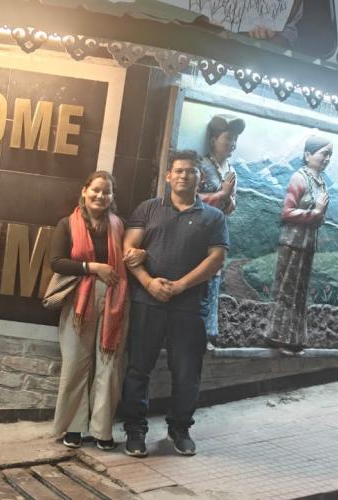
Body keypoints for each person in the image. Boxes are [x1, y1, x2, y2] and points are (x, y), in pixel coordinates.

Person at [120, 150, 229, 458]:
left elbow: (216, 259)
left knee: (186, 372)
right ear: (168, 176)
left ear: (200, 177)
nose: (184, 175)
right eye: (178, 171)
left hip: (189, 306)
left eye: (190, 171)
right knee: (138, 368)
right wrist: (148, 283)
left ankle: (179, 429)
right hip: (147, 301)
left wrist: (180, 285)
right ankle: (135, 430)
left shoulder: (214, 217)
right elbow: (129, 248)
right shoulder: (148, 209)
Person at [50, 172, 142, 450]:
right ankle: (73, 428)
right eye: (96, 190)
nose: (101, 196)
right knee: (75, 363)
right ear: (85, 190)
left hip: (115, 300)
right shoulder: (68, 224)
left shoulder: (119, 225)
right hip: (79, 300)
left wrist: (140, 254)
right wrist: (93, 268)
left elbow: (130, 255)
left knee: (109, 365)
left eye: (107, 192)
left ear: (112, 197)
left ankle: (102, 430)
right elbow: (56, 262)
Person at [265, 136, 332, 356]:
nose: (327, 159)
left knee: (299, 292)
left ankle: (294, 339)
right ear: (308, 155)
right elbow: (287, 212)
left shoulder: (320, 182)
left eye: (330, 155)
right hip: (292, 242)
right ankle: (278, 336)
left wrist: (319, 215)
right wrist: (315, 212)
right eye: (324, 153)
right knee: (287, 290)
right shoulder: (299, 178)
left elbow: (319, 217)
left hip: (307, 243)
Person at [197, 115, 245, 350]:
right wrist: (222, 194)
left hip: (218, 231)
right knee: (198, 277)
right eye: (227, 138)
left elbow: (231, 205)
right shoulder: (201, 166)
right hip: (198, 231)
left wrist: (229, 199)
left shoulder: (231, 170)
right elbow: (190, 198)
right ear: (214, 140)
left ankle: (208, 332)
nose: (232, 144)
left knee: (214, 279)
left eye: (234, 139)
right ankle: (192, 331)